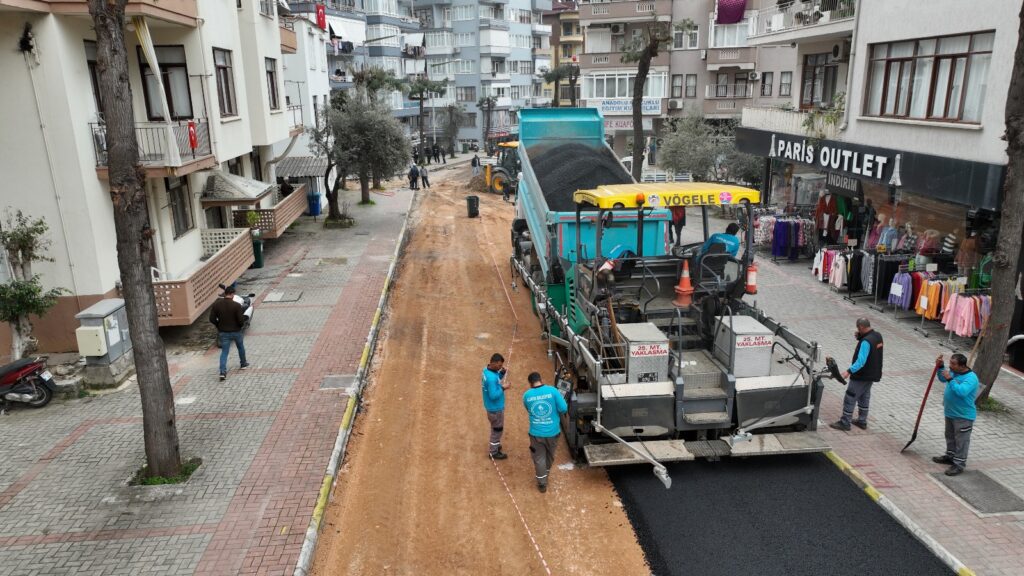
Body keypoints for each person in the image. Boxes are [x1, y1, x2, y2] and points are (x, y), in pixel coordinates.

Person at [830, 318, 883, 431]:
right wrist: (860, 337)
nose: (857, 330)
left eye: (858, 328)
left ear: (861, 327)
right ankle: (862, 421)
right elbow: (873, 349)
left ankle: (845, 422)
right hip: (872, 374)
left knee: (850, 396)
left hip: (861, 375)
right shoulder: (877, 336)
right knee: (864, 396)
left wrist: (848, 371)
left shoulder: (865, 342)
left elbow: (861, 362)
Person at [933, 354, 979, 476]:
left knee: (961, 440)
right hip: (950, 412)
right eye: (950, 363)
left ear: (962, 366)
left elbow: (961, 392)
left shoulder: (971, 378)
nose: (950, 366)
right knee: (950, 436)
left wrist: (950, 379)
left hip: (963, 416)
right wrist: (941, 367)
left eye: (953, 364)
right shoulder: (954, 372)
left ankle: (959, 464)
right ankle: (950, 456)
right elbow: (943, 378)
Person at [522, 372, 568, 493]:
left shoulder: (526, 395)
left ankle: (542, 483)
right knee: (550, 456)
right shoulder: (553, 391)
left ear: (530, 383)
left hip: (535, 433)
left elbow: (529, 409)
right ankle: (545, 474)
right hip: (553, 432)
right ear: (541, 380)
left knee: (538, 458)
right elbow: (563, 408)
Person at [209, 285, 249, 381]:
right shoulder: (236, 305)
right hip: (236, 331)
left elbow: (211, 319)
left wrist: (218, 325)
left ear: (225, 293)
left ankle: (222, 372)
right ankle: (243, 364)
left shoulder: (217, 304)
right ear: (232, 294)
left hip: (223, 332)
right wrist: (240, 326)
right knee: (240, 347)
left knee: (224, 352)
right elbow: (240, 320)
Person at [482, 353, 510, 459]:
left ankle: (495, 445)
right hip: (495, 409)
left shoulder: (486, 369)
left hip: (491, 407)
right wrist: (504, 388)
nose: (500, 368)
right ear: (493, 363)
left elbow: (496, 377)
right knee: (497, 430)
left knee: (495, 427)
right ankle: (493, 452)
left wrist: (502, 373)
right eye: (499, 366)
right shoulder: (491, 379)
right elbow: (493, 395)